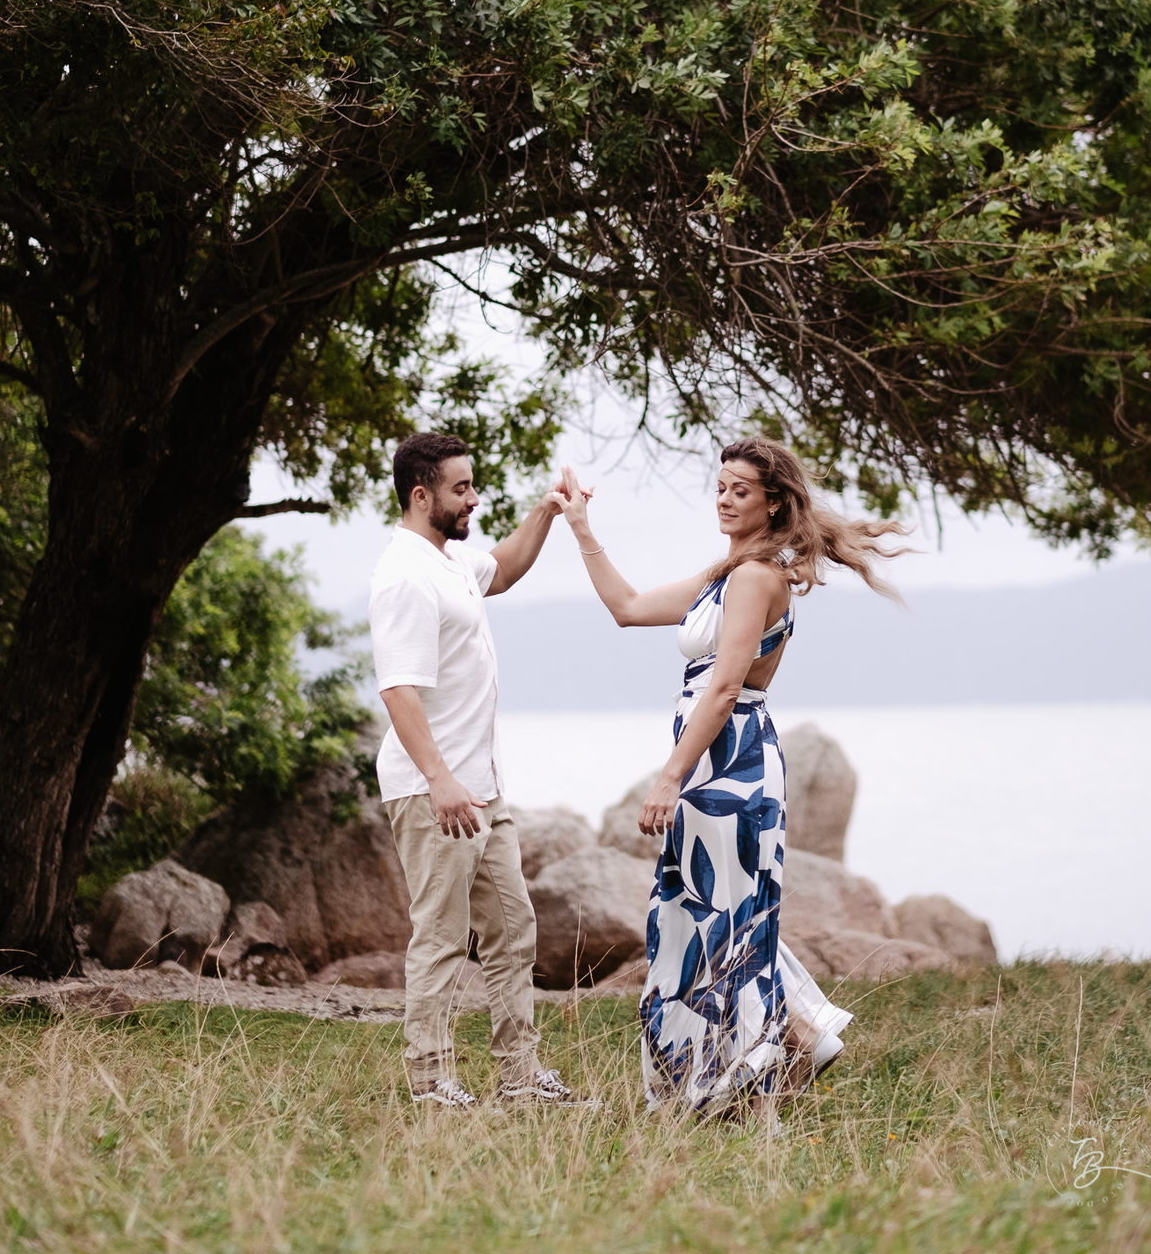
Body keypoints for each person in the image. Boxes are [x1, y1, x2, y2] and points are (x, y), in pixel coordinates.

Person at [549, 438, 905, 1116]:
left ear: (773, 501)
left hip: (729, 766)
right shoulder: (727, 573)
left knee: (726, 921)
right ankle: (775, 1055)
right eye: (720, 487)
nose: (723, 498)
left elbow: (723, 688)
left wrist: (668, 780)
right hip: (715, 765)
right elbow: (625, 607)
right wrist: (581, 526)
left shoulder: (756, 578)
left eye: (739, 490)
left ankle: (765, 1081)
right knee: (702, 916)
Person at [371, 430, 582, 1109]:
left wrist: (547, 511)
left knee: (513, 929)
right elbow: (399, 689)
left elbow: (507, 567)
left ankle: (520, 1078)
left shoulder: (450, 561)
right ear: (421, 494)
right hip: (438, 794)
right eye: (462, 488)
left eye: (474, 485)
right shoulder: (405, 574)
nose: (474, 498)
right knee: (439, 935)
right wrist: (440, 781)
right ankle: (430, 1082)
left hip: (482, 792)